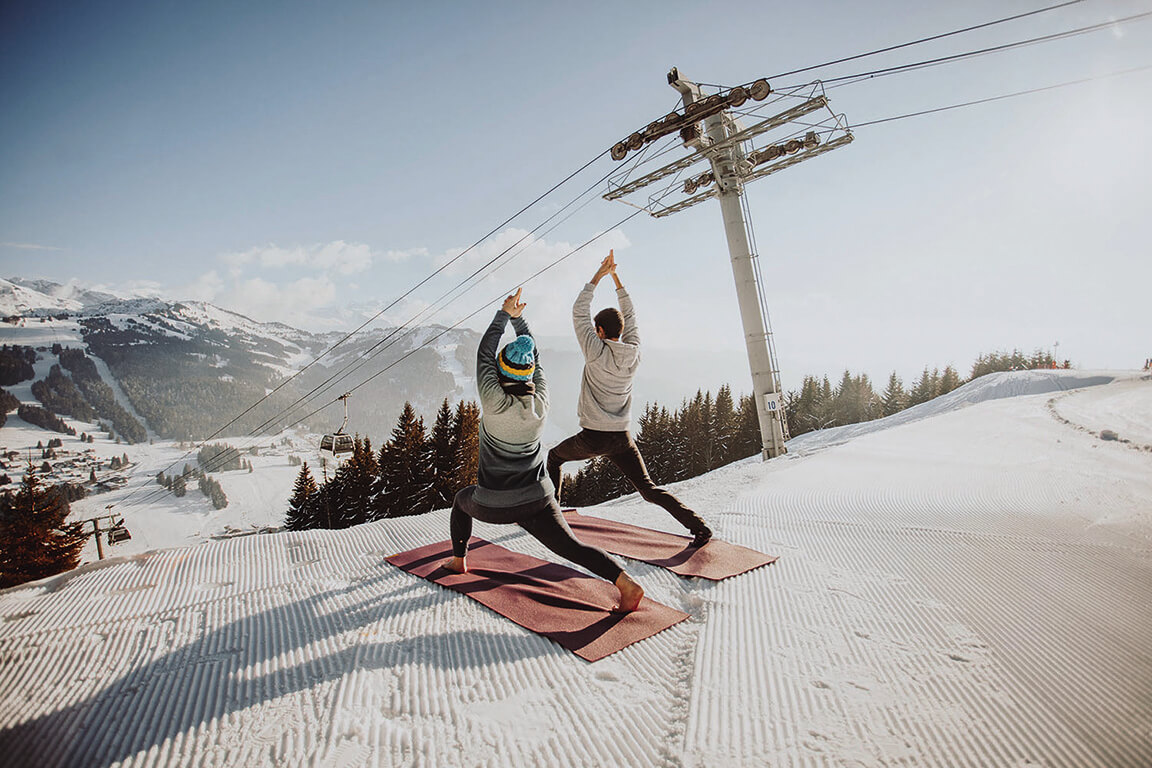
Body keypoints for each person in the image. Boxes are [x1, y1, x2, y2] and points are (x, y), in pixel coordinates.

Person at [443, 287, 645, 613]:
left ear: (501, 372)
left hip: (494, 502)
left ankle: (459, 561)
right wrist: (519, 319)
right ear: (527, 374)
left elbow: (484, 354)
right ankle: (625, 583)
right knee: (573, 547)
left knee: (460, 503)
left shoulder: (494, 401)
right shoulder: (541, 400)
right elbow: (534, 358)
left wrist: (505, 315)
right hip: (538, 498)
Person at [547, 251, 713, 548]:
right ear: (621, 331)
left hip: (593, 437)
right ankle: (699, 527)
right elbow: (631, 317)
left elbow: (578, 310)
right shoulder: (633, 352)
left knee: (555, 458)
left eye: (596, 331)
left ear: (599, 332)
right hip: (622, 438)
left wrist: (599, 274)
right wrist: (615, 279)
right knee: (648, 490)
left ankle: (553, 514)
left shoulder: (594, 351)